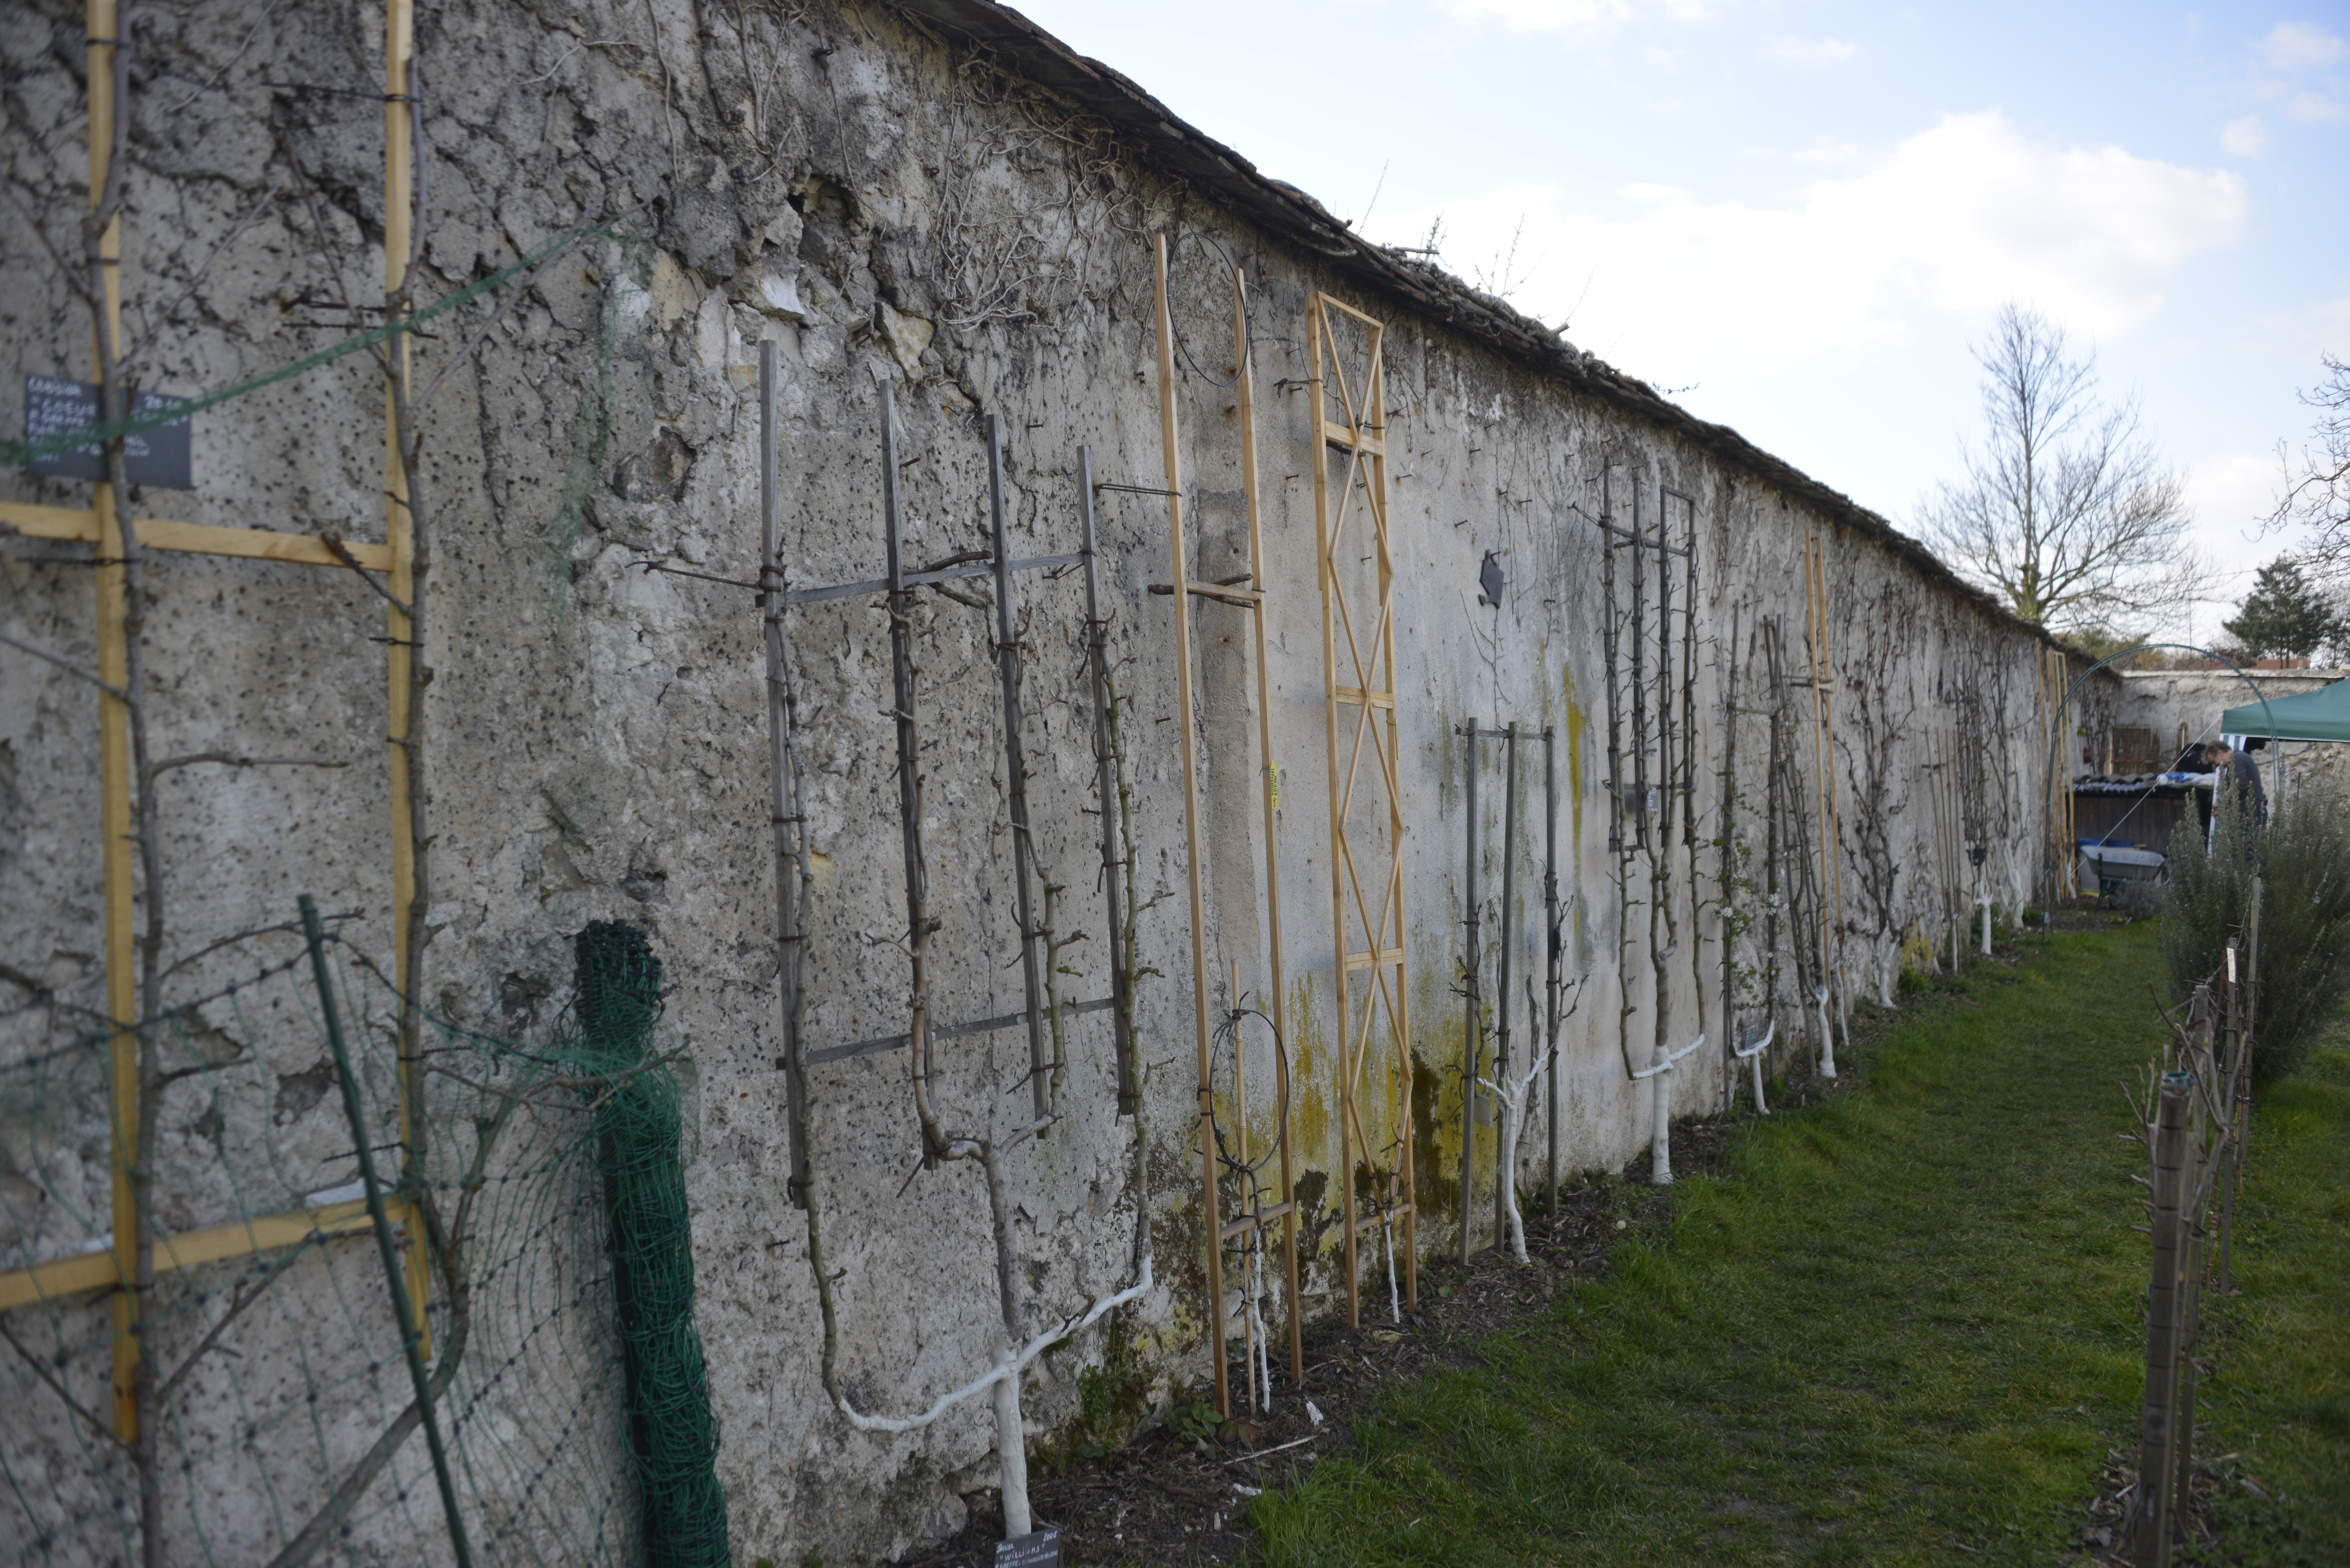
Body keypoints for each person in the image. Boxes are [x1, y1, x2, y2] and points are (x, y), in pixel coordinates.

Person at [2205, 740, 2269, 828]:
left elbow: (2240, 785)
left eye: (2214, 762)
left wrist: (2221, 801)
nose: (2216, 766)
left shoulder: (2238, 759)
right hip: (2249, 813)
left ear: (2220, 753)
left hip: (2252, 812)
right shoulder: (2234, 763)